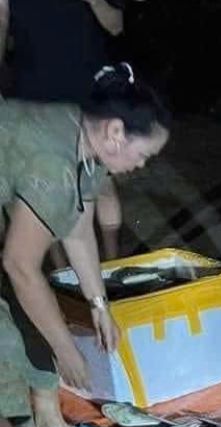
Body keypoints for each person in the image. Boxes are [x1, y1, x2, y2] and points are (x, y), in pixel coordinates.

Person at [0, 63, 170, 427]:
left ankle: (48, 423)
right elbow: (20, 266)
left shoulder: (86, 144)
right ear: (115, 132)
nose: (142, 165)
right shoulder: (54, 164)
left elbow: (78, 233)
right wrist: (64, 349)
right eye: (143, 154)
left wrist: (99, 305)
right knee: (8, 337)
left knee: (37, 312)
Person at [0, 0, 127, 263]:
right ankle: (62, 275)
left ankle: (115, 266)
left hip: (88, 87)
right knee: (46, 187)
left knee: (101, 182)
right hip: (35, 91)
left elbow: (115, 25)